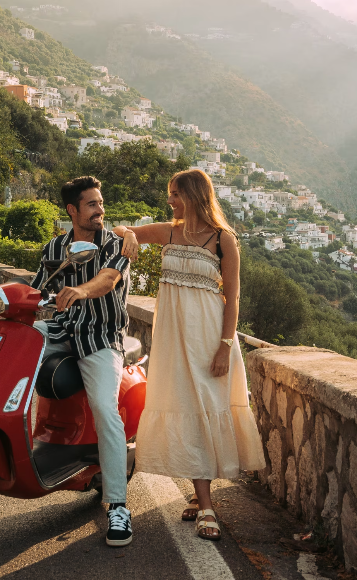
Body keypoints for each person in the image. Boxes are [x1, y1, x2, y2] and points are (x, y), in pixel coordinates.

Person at [113, 169, 266, 541]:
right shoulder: (169, 231)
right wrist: (130, 234)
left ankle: (205, 504)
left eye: (176, 194)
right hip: (172, 339)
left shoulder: (223, 240)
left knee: (204, 409)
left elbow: (233, 300)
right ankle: (203, 501)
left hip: (209, 336)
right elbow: (119, 230)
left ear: (195, 194)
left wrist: (225, 346)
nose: (171, 200)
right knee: (187, 407)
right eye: (170, 194)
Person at [30, 176, 135, 547]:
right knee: (12, 346)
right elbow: (36, 290)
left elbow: (108, 280)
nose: (100, 210)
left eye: (101, 203)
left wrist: (80, 290)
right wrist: (2, 301)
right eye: (91, 204)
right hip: (62, 330)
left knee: (106, 408)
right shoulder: (55, 248)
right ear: (72, 211)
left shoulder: (116, 243)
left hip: (101, 338)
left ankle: (118, 506)